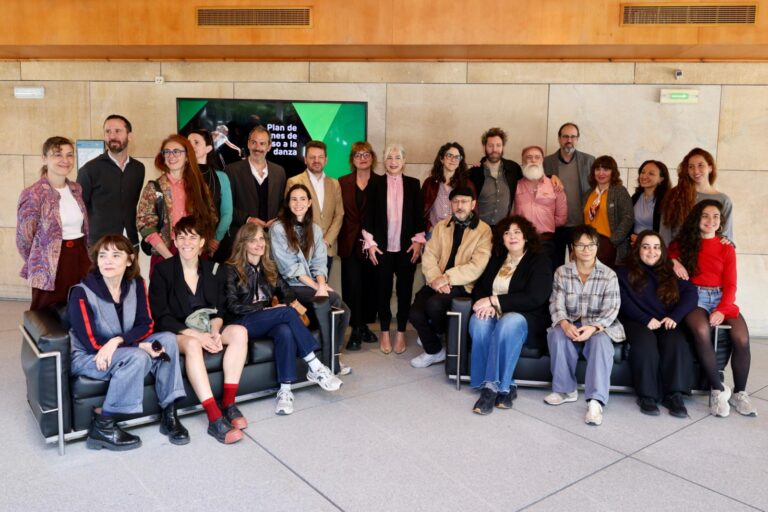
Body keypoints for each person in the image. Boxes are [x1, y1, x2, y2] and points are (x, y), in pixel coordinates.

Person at [68, 234, 188, 451]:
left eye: (116, 255)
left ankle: (169, 414)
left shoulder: (136, 284)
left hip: (120, 349)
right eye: (103, 255)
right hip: (90, 356)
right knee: (138, 356)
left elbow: (146, 324)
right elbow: (89, 341)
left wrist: (119, 341)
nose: (108, 261)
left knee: (168, 340)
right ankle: (103, 425)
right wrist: (136, 346)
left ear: (130, 260)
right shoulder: (81, 292)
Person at [223, 223, 343, 415]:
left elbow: (287, 292)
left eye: (261, 239)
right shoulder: (231, 269)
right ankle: (315, 366)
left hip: (267, 320)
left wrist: (282, 304)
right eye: (252, 240)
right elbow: (232, 306)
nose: (259, 244)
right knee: (285, 313)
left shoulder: (268, 267)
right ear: (243, 244)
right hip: (242, 322)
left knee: (284, 330)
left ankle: (285, 391)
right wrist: (267, 307)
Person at [149, 216, 249, 444]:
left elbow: (220, 309)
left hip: (206, 327)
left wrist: (214, 332)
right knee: (194, 344)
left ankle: (229, 404)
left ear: (202, 241)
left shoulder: (214, 269)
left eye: (192, 237)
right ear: (174, 239)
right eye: (181, 237)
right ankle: (214, 418)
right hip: (181, 333)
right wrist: (198, 336)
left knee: (239, 333)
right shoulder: (163, 271)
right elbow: (161, 317)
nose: (186, 242)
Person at [668, 200, 756, 417]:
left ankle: (740, 393)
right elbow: (665, 253)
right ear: (697, 219)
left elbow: (731, 284)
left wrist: (722, 309)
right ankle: (718, 390)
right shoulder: (685, 243)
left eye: (715, 216)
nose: (711, 220)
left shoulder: (726, 247)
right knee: (701, 330)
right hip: (694, 296)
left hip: (720, 297)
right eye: (705, 216)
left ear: (721, 220)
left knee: (742, 338)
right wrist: (674, 263)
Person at [469, 216, 553, 415]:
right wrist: (487, 304)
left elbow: (535, 297)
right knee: (479, 322)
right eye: (507, 233)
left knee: (508, 323)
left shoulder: (539, 259)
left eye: (517, 232)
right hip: (496, 312)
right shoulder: (497, 258)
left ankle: (490, 388)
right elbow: (480, 288)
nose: (512, 236)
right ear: (502, 238)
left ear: (526, 236)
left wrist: (495, 301)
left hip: (526, 317)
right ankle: (505, 387)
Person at [545, 225, 625, 426]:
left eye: (590, 245)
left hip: (599, 326)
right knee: (556, 335)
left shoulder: (609, 275)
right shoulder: (562, 272)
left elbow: (612, 309)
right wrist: (563, 323)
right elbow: (556, 302)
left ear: (597, 246)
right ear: (573, 247)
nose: (586, 249)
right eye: (580, 245)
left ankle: (595, 401)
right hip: (571, 321)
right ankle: (565, 390)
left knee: (600, 342)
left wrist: (594, 327)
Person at [271, 184, 352, 374]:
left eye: (302, 199)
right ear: (288, 203)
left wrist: (322, 284)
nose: (298, 203)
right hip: (289, 285)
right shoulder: (278, 228)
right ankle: (327, 363)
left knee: (344, 311)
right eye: (293, 199)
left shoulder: (315, 229)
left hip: (311, 284)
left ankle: (332, 358)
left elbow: (320, 261)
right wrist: (318, 287)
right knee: (333, 300)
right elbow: (290, 267)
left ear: (309, 203)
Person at [617, 230, 698, 417]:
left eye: (656, 247)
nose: (651, 251)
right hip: (636, 320)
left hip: (664, 320)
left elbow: (691, 293)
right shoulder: (623, 272)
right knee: (645, 344)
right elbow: (622, 301)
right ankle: (647, 396)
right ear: (638, 250)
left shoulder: (671, 272)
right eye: (646, 247)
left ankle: (675, 395)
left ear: (662, 250)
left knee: (676, 342)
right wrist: (645, 320)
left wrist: (675, 317)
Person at [409, 186, 492, 367]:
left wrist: (447, 278)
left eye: (464, 202)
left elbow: (477, 266)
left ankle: (434, 337)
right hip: (436, 281)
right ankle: (436, 351)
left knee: (435, 305)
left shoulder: (484, 230)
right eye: (455, 202)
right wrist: (435, 279)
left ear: (473, 204)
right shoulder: (441, 226)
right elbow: (429, 255)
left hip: (463, 284)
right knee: (415, 313)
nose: (459, 206)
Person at [363, 144, 425, 354]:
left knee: (404, 291)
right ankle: (384, 333)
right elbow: (367, 217)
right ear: (384, 161)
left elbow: (419, 217)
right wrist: (370, 244)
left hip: (407, 248)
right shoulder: (375, 183)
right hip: (382, 248)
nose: (393, 161)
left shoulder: (414, 184)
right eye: (389, 157)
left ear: (404, 161)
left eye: (397, 157)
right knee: (383, 291)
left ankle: (400, 333)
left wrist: (418, 240)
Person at [17, 136, 90, 310]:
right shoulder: (33, 194)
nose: (65, 160)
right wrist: (41, 260)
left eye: (69, 155)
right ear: (44, 158)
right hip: (50, 264)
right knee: (47, 315)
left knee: (81, 310)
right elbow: (24, 239)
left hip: (80, 257)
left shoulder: (76, 189)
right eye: (58, 154)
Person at [137, 135, 218, 275]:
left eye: (177, 151)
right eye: (166, 152)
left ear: (187, 157)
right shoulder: (154, 188)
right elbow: (145, 225)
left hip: (196, 252)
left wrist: (198, 250)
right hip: (165, 253)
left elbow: (211, 218)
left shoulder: (200, 187)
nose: (171, 156)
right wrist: (169, 257)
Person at [77, 115, 145, 247]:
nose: (112, 136)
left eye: (118, 131)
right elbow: (79, 210)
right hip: (99, 246)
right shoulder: (89, 169)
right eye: (108, 132)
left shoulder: (138, 169)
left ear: (129, 136)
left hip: (131, 243)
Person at [338, 142, 379, 350]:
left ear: (372, 157)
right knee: (352, 285)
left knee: (370, 286)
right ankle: (355, 328)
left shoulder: (381, 182)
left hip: (373, 244)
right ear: (352, 159)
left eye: (366, 154)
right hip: (350, 242)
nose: (362, 158)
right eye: (357, 155)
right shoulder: (342, 182)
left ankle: (363, 325)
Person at [285, 140, 344, 274]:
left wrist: (327, 240)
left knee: (321, 291)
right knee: (301, 292)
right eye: (312, 157)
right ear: (305, 159)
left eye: (320, 157)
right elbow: (290, 214)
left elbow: (339, 214)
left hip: (326, 249)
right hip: (302, 248)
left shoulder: (335, 184)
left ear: (326, 159)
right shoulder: (294, 181)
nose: (316, 160)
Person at [543, 122, 595, 268]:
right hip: (556, 225)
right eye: (565, 136)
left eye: (573, 136)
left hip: (580, 224)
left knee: (581, 265)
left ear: (577, 139)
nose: (569, 140)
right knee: (555, 266)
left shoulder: (589, 161)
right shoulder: (546, 162)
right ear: (559, 138)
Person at [660, 147, 733, 244]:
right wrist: (668, 255)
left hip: (708, 255)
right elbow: (665, 230)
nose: (696, 171)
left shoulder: (723, 200)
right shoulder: (674, 195)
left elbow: (726, 237)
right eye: (691, 167)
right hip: (677, 254)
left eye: (700, 165)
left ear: (710, 168)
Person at [226, 125, 287, 234]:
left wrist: (278, 220)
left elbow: (283, 204)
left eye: (262, 143)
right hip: (243, 237)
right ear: (248, 144)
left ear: (269, 147)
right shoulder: (232, 170)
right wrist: (247, 219)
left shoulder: (279, 172)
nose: (257, 148)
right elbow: (226, 206)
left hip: (272, 236)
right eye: (254, 142)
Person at [513, 145, 567, 266]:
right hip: (521, 243)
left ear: (542, 160)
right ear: (522, 160)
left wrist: (545, 225)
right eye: (529, 157)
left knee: (545, 279)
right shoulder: (515, 185)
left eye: (537, 157)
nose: (533, 160)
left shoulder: (555, 185)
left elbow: (561, 218)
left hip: (546, 243)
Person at [187, 129, 233, 262]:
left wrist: (216, 239)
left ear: (208, 148)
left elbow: (227, 213)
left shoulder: (221, 176)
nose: (191, 146)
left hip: (215, 242)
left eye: (196, 142)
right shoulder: (181, 174)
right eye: (188, 142)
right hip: (187, 242)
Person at [582, 155, 634, 267]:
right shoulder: (588, 193)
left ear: (613, 172)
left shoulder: (619, 191)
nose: (601, 173)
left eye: (606, 169)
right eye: (597, 169)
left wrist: (613, 241)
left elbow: (628, 218)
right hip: (588, 244)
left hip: (608, 245)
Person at [468, 128, 523, 227]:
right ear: (484, 147)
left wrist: (551, 177)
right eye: (490, 145)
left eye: (498, 145)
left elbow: (530, 179)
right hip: (479, 230)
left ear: (503, 147)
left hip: (503, 230)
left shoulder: (514, 168)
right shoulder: (474, 172)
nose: (494, 150)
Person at [421, 142, 474, 233]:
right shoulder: (429, 183)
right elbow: (420, 209)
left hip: (457, 234)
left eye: (457, 157)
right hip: (433, 233)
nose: (453, 159)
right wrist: (428, 228)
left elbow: (473, 211)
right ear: (442, 159)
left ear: (460, 161)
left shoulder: (467, 184)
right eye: (449, 155)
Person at [631, 160, 670, 242]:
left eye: (651, 174)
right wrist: (630, 236)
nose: (644, 176)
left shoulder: (667, 200)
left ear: (661, 179)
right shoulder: (636, 197)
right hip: (633, 244)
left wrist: (643, 240)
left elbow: (666, 232)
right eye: (643, 172)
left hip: (653, 246)